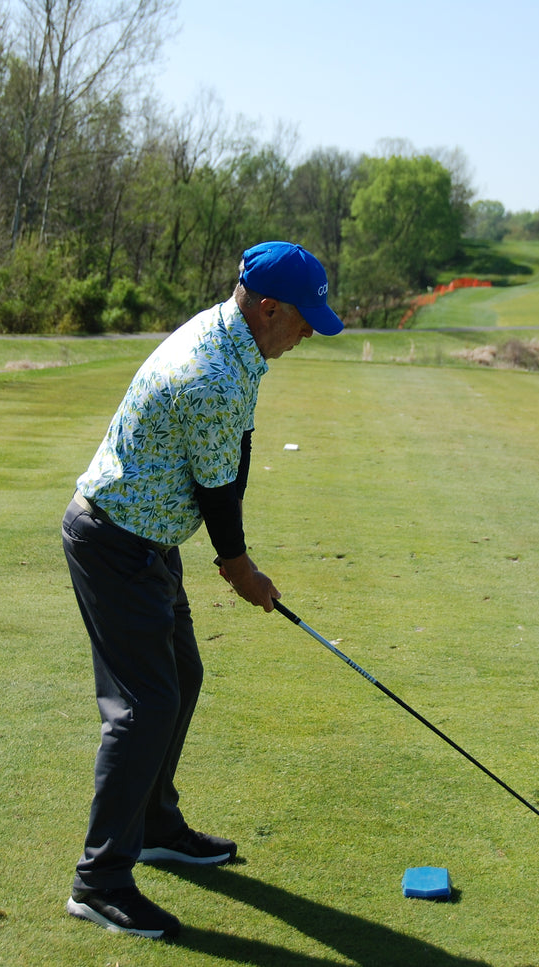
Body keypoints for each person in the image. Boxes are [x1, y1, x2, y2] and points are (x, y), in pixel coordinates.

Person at [61, 241, 344, 938]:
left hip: (148, 538)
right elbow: (218, 493)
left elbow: (234, 454)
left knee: (180, 677)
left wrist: (231, 561)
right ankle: (99, 880)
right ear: (269, 306)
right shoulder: (212, 372)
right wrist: (239, 569)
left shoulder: (237, 337)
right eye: (304, 317)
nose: (310, 330)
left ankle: (154, 823)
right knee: (144, 706)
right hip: (115, 541)